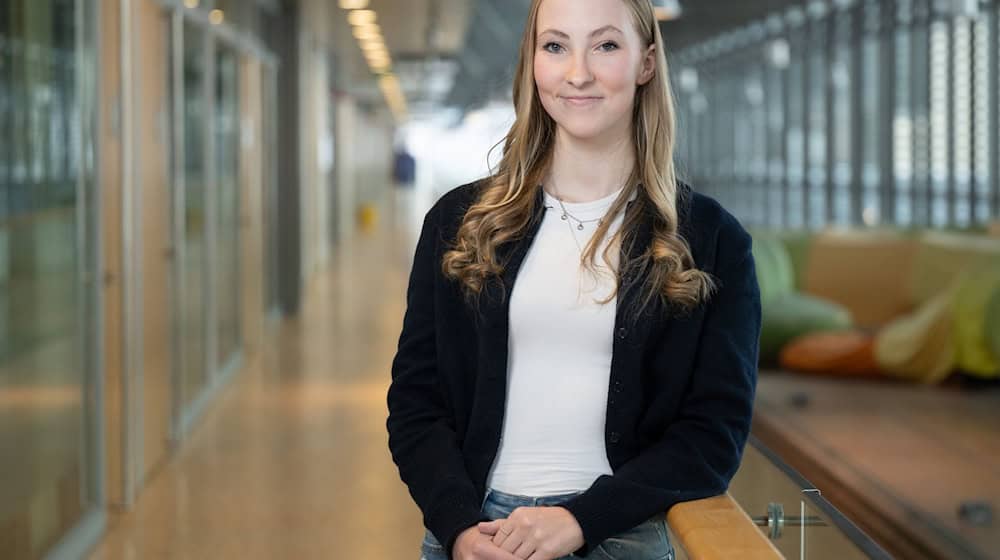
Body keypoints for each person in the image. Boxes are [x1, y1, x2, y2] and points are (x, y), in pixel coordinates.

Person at [386, 0, 761, 558]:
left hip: (621, 533)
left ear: (646, 63)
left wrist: (579, 519)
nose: (577, 72)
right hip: (474, 537)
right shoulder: (460, 222)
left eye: (606, 45)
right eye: (555, 46)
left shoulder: (709, 239)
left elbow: (714, 432)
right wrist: (458, 524)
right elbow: (417, 401)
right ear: (532, 62)